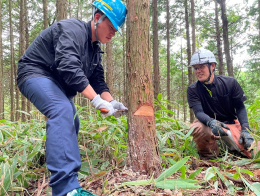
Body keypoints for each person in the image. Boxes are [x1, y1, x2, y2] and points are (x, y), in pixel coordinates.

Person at [17, 0, 127, 195]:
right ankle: (65, 189)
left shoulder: (94, 50)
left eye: (115, 30)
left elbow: (97, 80)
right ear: (96, 18)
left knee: (71, 118)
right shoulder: (71, 29)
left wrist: (110, 101)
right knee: (62, 110)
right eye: (110, 27)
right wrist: (96, 100)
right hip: (34, 73)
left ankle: (67, 179)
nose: (112, 33)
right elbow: (68, 66)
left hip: (56, 83)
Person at [187, 48, 260, 160]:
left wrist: (245, 129)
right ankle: (210, 158)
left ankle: (235, 149)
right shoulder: (193, 90)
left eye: (201, 66)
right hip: (208, 124)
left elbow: (240, 107)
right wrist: (211, 122)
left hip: (231, 124)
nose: (198, 71)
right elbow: (198, 112)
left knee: (254, 152)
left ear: (212, 66)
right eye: (196, 68)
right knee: (197, 127)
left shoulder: (230, 83)